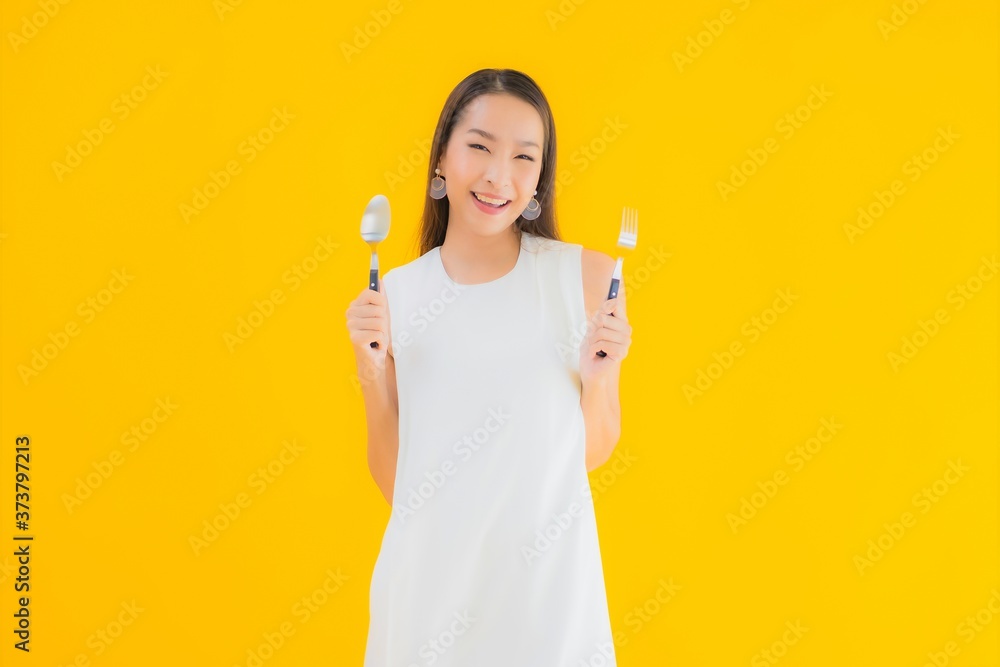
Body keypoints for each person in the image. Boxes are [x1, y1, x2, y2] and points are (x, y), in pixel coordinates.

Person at [345, 68, 632, 666]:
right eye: (479, 147)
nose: (498, 176)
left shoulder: (585, 280)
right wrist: (371, 374)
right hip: (426, 598)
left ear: (538, 184)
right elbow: (398, 484)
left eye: (524, 158)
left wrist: (600, 376)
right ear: (442, 160)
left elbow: (592, 451)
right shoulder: (395, 297)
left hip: (546, 599)